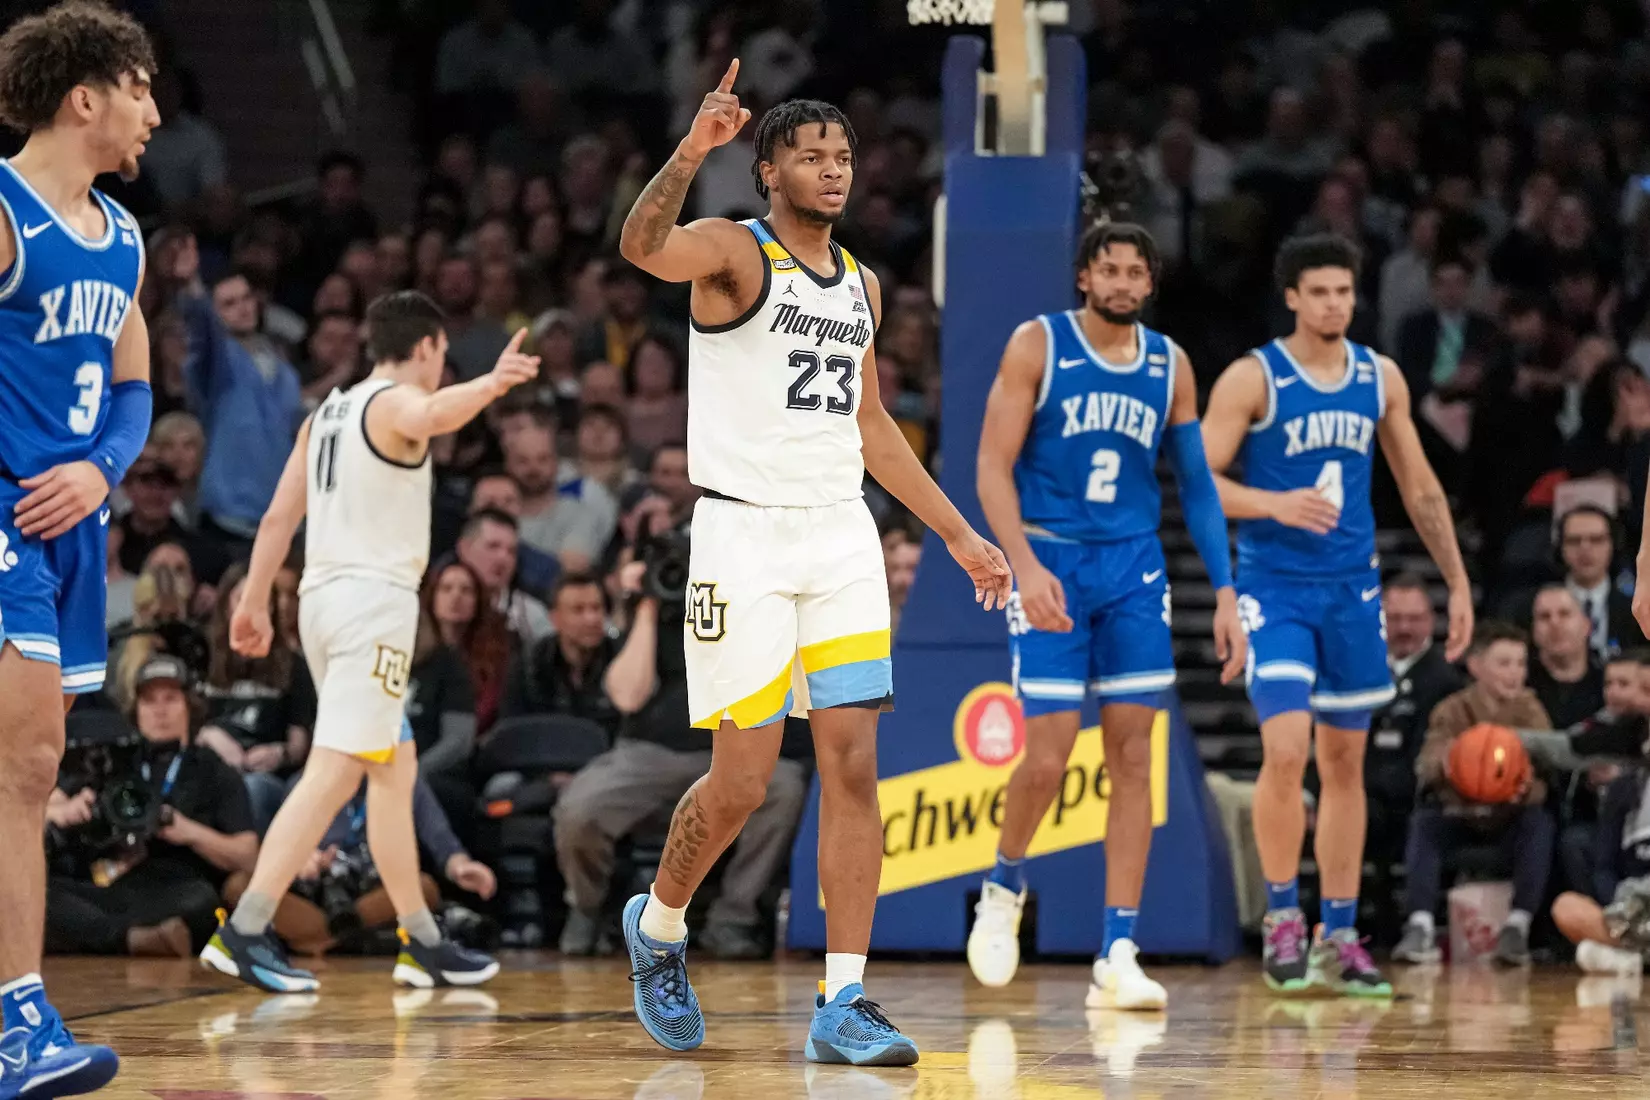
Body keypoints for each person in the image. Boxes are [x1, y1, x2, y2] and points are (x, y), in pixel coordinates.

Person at [615, 61, 1011, 1064]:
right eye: (811, 156)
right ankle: (659, 923)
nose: (833, 170)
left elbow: (871, 425)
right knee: (742, 782)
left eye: (842, 156)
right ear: (769, 170)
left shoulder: (864, 284)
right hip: (743, 532)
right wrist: (690, 149)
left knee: (852, 761)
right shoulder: (732, 255)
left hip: (840, 531)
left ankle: (843, 997)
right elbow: (639, 244)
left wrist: (959, 533)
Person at [198, 290, 536, 992]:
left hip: (322, 601)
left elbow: (276, 519)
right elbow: (432, 412)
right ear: (426, 349)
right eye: (442, 357)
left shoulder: (325, 414)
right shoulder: (394, 401)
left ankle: (423, 938)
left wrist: (255, 597)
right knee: (335, 771)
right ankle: (247, 927)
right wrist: (492, 385)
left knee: (392, 770)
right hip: (371, 607)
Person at [967, 221, 1245, 1010]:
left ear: (1149, 285)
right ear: (1084, 278)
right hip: (1051, 558)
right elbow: (992, 465)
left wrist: (1225, 592)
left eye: (1136, 272)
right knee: (1049, 756)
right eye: (1109, 270)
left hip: (1133, 568)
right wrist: (1022, 567)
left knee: (1133, 758)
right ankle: (1002, 887)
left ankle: (1117, 949)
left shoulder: (1171, 365)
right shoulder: (1038, 345)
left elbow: (1194, 484)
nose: (1123, 283)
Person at [1200, 233, 1473, 995]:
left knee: (1347, 764)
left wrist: (1458, 580)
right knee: (1287, 750)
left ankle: (1341, 931)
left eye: (1344, 293)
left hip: (1352, 590)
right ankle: (1285, 916)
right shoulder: (1254, 377)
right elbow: (1199, 478)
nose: (1334, 305)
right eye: (1319, 292)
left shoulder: (1379, 377)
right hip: (1273, 587)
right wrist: (1272, 502)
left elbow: (1419, 486)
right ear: (1291, 296)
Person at [0, 4, 159, 1096]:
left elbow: (137, 384)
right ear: (84, 96)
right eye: (140, 89)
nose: (153, 113)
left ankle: (19, 1010)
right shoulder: (3, 210)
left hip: (75, 528)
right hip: (7, 516)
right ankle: (19, 1015)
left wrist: (105, 464)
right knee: (19, 766)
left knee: (32, 767)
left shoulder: (126, 236)